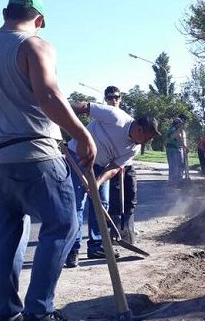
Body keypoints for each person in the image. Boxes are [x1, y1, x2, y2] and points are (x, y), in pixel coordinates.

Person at [0, 0, 96, 321]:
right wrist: (82, 134)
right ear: (39, 19)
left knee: (6, 234)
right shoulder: (35, 46)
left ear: (5, 12)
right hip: (36, 156)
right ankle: (39, 312)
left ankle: (7, 316)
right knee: (62, 225)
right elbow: (48, 94)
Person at [65, 101, 160, 265]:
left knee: (102, 203)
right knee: (77, 204)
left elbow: (115, 166)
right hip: (77, 157)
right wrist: (58, 112)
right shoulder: (116, 117)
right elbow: (84, 107)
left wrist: (98, 181)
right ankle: (72, 250)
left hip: (100, 166)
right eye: (147, 137)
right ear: (139, 129)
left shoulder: (134, 148)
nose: (146, 142)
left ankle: (96, 246)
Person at [103, 86, 139, 245]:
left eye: (116, 97)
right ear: (105, 99)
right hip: (110, 166)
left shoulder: (125, 118)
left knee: (130, 198)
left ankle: (128, 232)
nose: (113, 100)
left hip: (127, 164)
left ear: (120, 99)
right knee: (114, 202)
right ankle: (114, 231)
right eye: (110, 97)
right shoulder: (102, 118)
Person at [164, 117, 184, 184]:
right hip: (172, 149)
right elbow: (173, 136)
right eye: (180, 124)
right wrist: (178, 130)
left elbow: (179, 139)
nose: (181, 125)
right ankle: (173, 181)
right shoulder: (172, 129)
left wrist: (184, 147)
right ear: (177, 124)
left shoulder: (174, 129)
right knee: (174, 165)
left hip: (174, 149)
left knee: (176, 165)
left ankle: (175, 180)